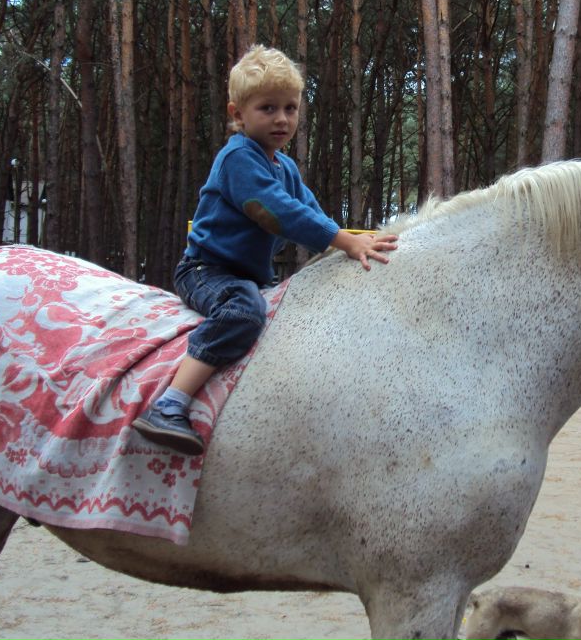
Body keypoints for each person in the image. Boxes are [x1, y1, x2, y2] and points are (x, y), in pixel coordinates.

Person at [133, 45, 399, 455]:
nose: (282, 119)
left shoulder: (284, 166)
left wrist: (352, 245)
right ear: (238, 114)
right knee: (242, 313)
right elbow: (279, 212)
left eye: (290, 108)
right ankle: (170, 403)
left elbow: (310, 210)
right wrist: (343, 241)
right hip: (209, 271)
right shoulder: (239, 158)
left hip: (252, 277)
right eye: (268, 108)